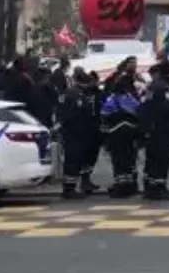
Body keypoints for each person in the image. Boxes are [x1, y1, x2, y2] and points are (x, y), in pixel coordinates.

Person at [139, 63, 169, 200]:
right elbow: (168, 108)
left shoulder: (151, 86)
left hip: (151, 128)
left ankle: (149, 186)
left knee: (151, 159)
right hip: (161, 128)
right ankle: (159, 188)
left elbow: (144, 106)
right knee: (161, 158)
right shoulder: (163, 87)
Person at [100, 71, 141, 198]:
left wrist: (105, 137)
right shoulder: (131, 99)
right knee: (130, 160)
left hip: (116, 134)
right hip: (131, 133)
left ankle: (121, 187)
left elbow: (104, 116)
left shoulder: (112, 100)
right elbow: (139, 112)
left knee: (118, 161)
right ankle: (131, 185)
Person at [57, 70, 93, 200]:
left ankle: (69, 187)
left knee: (71, 161)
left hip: (71, 133)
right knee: (73, 161)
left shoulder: (69, 93)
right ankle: (69, 189)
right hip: (76, 133)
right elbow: (74, 115)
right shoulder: (77, 95)